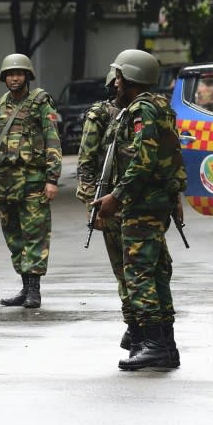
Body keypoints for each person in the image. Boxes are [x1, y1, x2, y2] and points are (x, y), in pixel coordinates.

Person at [94, 49, 186, 371]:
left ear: (131, 78)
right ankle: (167, 346)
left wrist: (116, 197)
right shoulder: (159, 106)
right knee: (157, 271)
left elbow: (142, 162)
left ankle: (154, 345)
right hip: (155, 201)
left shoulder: (141, 111)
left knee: (139, 273)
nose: (115, 82)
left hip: (141, 203)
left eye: (118, 76)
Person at [0, 54, 62, 309]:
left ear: (27, 76)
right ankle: (24, 285)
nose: (14, 78)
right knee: (14, 237)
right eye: (10, 74)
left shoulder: (41, 103)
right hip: (5, 183)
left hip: (33, 181)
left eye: (19, 74)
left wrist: (52, 179)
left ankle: (34, 290)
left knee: (35, 236)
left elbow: (52, 140)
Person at [76, 58, 137, 355]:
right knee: (123, 270)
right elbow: (86, 163)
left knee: (144, 269)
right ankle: (133, 323)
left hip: (140, 204)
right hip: (109, 203)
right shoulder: (100, 114)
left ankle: (144, 325)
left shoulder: (145, 113)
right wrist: (92, 204)